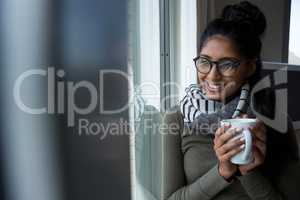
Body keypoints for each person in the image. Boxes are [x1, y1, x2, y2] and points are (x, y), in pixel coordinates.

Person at [162, 1, 300, 200]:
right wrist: (222, 172)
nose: (212, 76)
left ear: (250, 67)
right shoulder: (176, 119)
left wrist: (249, 172)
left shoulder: (273, 118)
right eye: (204, 61)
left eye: (227, 64)